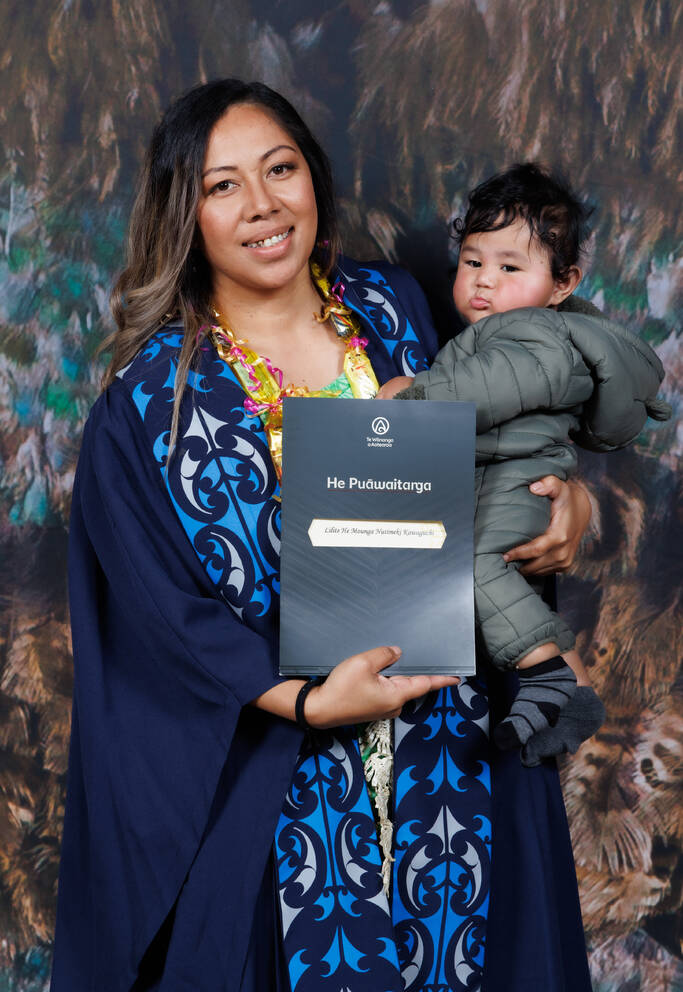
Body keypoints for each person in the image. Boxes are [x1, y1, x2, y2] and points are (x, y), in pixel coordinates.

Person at [51, 81, 595, 992]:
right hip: (281, 780)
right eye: (222, 186)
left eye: (280, 169)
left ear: (314, 178)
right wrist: (305, 704)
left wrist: (565, 498)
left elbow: (527, 412)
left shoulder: (402, 314)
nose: (262, 205)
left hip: (457, 749)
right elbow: (160, 618)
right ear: (183, 212)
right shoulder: (149, 404)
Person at [378, 163, 669, 762]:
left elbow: (476, 397)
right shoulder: (514, 332)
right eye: (473, 262)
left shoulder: (534, 337)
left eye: (510, 268)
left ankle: (558, 682)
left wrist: (406, 397)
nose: (484, 282)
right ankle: (559, 688)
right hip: (508, 474)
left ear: (563, 284)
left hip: (518, 481)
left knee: (472, 560)